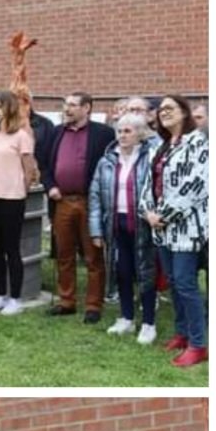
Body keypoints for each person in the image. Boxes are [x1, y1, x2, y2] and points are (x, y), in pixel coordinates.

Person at [141, 95, 209, 367]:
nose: (164, 113)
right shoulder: (162, 146)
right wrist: (148, 213)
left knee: (185, 282)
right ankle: (182, 333)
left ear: (184, 112)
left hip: (186, 228)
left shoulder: (197, 142)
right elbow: (148, 183)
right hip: (161, 230)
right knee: (173, 282)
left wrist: (164, 215)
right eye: (161, 110)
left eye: (170, 108)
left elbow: (196, 184)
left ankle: (198, 343)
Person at [44, 92, 115, 322]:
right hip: (61, 201)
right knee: (64, 254)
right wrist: (50, 185)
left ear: (87, 108)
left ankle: (93, 305)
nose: (67, 109)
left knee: (93, 256)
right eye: (66, 104)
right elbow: (45, 164)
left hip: (90, 202)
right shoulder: (56, 132)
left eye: (73, 105)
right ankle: (67, 301)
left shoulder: (103, 134)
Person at [89, 112, 159, 342]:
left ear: (140, 133)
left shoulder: (150, 157)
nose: (122, 135)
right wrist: (96, 230)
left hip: (142, 225)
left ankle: (148, 323)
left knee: (146, 274)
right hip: (116, 225)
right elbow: (96, 196)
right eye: (120, 131)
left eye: (128, 131)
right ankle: (126, 318)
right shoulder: (107, 160)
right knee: (122, 273)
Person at [0, 90, 37, 316]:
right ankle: (0, 294)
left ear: (10, 109)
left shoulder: (21, 136)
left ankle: (15, 298)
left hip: (12, 199)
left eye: (0, 106)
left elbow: (28, 167)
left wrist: (22, 188)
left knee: (12, 249)